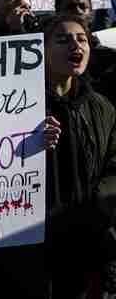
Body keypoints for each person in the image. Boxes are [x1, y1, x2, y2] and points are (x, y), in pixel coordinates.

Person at [42, 15, 116, 298]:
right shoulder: (19, 105)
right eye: (62, 40)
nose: (75, 45)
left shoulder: (102, 107)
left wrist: (98, 204)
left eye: (81, 39)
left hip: (90, 242)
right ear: (42, 50)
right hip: (39, 248)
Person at [54, 0, 116, 105]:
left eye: (83, 7)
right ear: (57, 14)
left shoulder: (110, 58)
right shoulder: (49, 54)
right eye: (70, 7)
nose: (77, 10)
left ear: (91, 14)